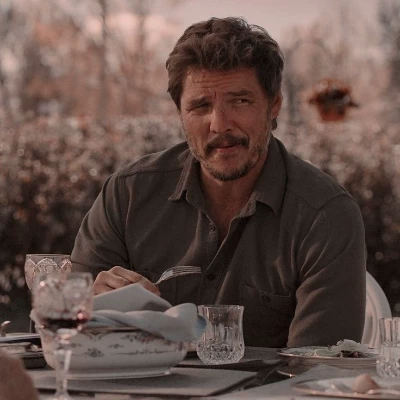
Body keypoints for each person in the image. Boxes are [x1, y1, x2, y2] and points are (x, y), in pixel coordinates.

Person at [72, 17, 366, 348]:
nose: (220, 124)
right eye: (200, 106)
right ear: (180, 113)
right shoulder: (126, 195)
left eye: (240, 101)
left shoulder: (325, 215)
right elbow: (69, 338)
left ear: (274, 105)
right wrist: (91, 308)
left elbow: (318, 368)